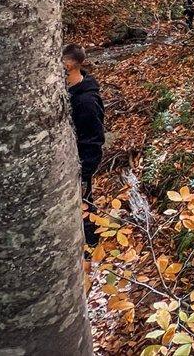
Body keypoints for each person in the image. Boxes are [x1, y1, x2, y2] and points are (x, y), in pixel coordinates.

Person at [63, 44, 105, 246]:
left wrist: (84, 171)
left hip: (80, 166)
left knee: (85, 208)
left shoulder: (87, 101)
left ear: (70, 65)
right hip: (65, 164)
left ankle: (92, 248)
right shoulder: (65, 92)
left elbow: (95, 138)